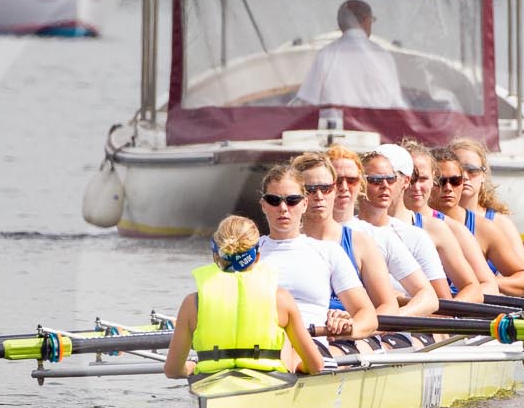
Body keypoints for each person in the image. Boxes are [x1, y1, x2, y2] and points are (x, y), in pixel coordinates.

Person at [163, 216, 326, 380]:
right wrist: (298, 368)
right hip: (269, 384)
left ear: (215, 256)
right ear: (257, 256)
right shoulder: (281, 299)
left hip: (211, 384)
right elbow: (316, 365)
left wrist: (191, 366)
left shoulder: (192, 303)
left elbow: (172, 370)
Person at [305, 148, 440, 317]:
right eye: (336, 181)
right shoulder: (294, 239)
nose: (344, 187)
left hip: (368, 333)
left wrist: (388, 320)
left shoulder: (378, 237)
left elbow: (428, 296)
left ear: (361, 184)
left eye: (352, 180)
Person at [253, 163, 378, 338]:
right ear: (263, 205)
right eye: (274, 200)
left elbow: (368, 316)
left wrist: (347, 326)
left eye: (292, 200)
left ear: (304, 204)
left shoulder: (329, 252)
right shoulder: (247, 252)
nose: (283, 208)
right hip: (259, 347)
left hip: (315, 347)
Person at [359, 143, 479, 303]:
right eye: (374, 179)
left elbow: (470, 289)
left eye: (390, 178)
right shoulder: (348, 229)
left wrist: (404, 303)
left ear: (404, 180)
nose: (384, 185)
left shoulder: (432, 230)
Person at [433, 141, 524, 297]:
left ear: (483, 175)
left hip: (477, 306)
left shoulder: (493, 225)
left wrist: (483, 284)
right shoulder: (418, 221)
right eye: (442, 179)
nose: (465, 177)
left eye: (471, 171)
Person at [294, 0, 407, 109]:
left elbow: (308, 100)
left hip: (336, 126)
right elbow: (395, 102)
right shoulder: (384, 56)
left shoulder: (326, 54)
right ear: (367, 21)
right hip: (376, 127)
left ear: (340, 24)